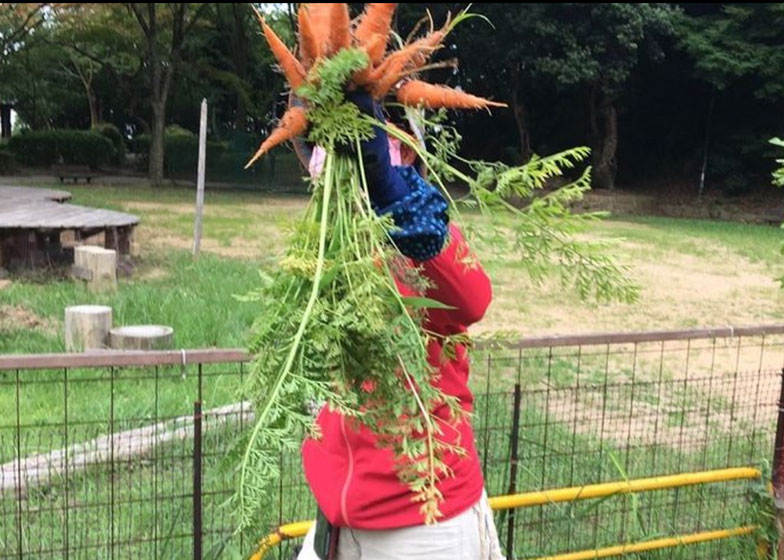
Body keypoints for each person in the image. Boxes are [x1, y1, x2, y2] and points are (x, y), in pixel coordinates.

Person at [295, 91, 505, 560]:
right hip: (334, 526)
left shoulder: (426, 243)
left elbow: (474, 296)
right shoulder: (331, 249)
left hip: (425, 529)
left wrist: (395, 195)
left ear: (403, 152)